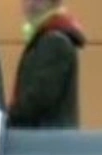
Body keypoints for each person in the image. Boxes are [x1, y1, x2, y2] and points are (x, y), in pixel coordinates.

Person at [8, 0, 86, 129]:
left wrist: (7, 116)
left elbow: (39, 99)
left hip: (44, 137)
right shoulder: (51, 37)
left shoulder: (53, 41)